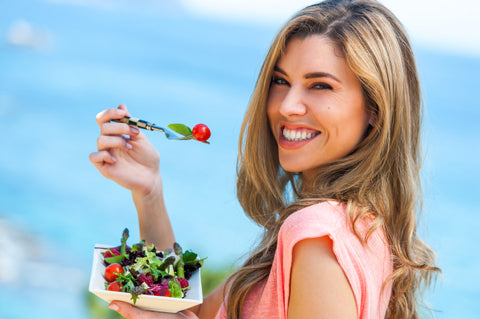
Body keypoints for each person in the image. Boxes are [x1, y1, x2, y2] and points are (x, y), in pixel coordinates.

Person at [89, 0, 440, 318]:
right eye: (280, 80)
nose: (287, 106)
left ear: (376, 108)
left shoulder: (317, 234)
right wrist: (150, 191)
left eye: (320, 86)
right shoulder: (361, 229)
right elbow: (194, 312)